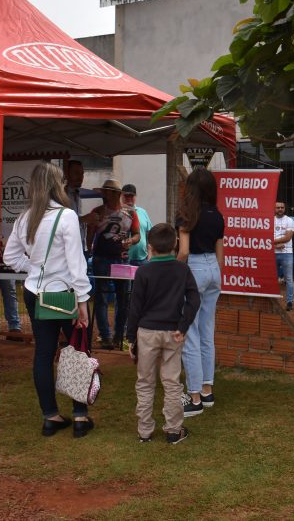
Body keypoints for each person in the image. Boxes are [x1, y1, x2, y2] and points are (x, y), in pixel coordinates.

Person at [3, 161, 93, 438]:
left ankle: (50, 416)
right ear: (58, 185)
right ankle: (79, 416)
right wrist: (83, 300)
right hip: (66, 292)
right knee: (78, 350)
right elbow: (76, 262)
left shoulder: (24, 218)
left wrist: (33, 267)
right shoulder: (66, 216)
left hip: (36, 291)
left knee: (43, 353)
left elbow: (9, 257)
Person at [126, 223, 200, 445]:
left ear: (150, 247)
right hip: (173, 333)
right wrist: (183, 326)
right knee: (171, 382)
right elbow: (194, 299)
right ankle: (173, 431)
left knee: (145, 382)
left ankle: (145, 431)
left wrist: (131, 339)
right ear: (175, 244)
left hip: (146, 332)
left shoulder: (143, 271)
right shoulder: (182, 269)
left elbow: (134, 308)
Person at [176, 167, 224, 418]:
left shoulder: (186, 214)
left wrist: (173, 274)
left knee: (189, 334)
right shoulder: (217, 215)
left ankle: (193, 398)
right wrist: (218, 276)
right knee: (207, 332)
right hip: (213, 269)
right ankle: (206, 391)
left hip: (193, 268)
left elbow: (183, 252)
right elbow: (220, 251)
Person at [87, 177, 140, 350]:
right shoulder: (97, 211)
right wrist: (90, 250)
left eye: (106, 192)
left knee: (123, 297)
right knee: (101, 297)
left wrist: (130, 241)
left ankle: (118, 336)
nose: (104, 195)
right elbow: (90, 233)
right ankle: (106, 336)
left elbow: (137, 234)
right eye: (104, 192)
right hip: (101, 258)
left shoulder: (130, 213)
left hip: (121, 258)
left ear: (115, 194)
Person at [273, 200, 294, 311]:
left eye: (282, 207)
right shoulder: (269, 220)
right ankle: (272, 301)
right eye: (278, 207)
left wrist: (272, 242)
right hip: (272, 253)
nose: (280, 209)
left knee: (289, 279)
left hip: (287, 253)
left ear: (284, 208)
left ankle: (290, 302)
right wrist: (276, 245)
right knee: (272, 279)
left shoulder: (289, 220)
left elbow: (288, 237)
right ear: (274, 208)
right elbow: (265, 237)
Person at [122, 184, 152, 267]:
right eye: (126, 196)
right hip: (124, 259)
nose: (129, 199)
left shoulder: (143, 212)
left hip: (143, 259)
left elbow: (149, 234)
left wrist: (149, 255)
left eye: (131, 196)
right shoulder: (118, 212)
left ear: (135, 196)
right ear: (121, 196)